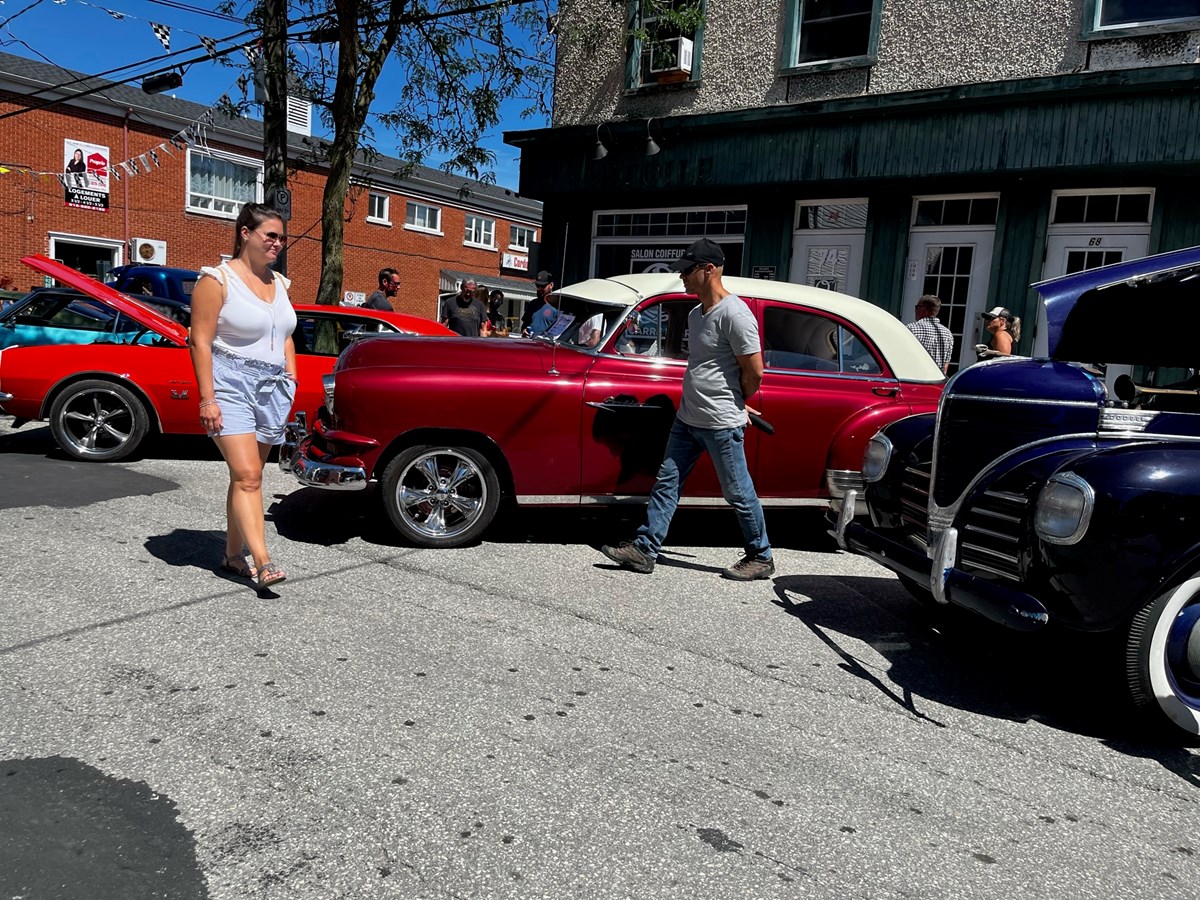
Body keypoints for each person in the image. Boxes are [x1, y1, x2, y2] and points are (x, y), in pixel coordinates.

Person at [600, 238, 774, 581]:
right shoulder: (696, 314)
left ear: (709, 270)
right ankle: (645, 549)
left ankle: (761, 556)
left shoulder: (736, 314)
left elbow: (754, 371)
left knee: (737, 491)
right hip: (688, 417)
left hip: (721, 422)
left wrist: (737, 402)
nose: (681, 276)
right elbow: (706, 366)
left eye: (687, 270)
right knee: (667, 482)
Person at [189, 202, 298, 590]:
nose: (278, 243)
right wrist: (207, 398)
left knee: (246, 477)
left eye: (281, 237)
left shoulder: (279, 283)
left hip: (273, 387)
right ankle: (263, 562)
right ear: (245, 234)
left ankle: (232, 556)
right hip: (229, 383)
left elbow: (285, 333)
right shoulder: (217, 280)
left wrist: (292, 377)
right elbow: (199, 341)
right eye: (270, 235)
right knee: (249, 476)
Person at [906, 294, 955, 374]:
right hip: (935, 380)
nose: (915, 310)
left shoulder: (911, 329)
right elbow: (945, 366)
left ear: (923, 309)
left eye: (916, 307)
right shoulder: (948, 334)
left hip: (914, 377)